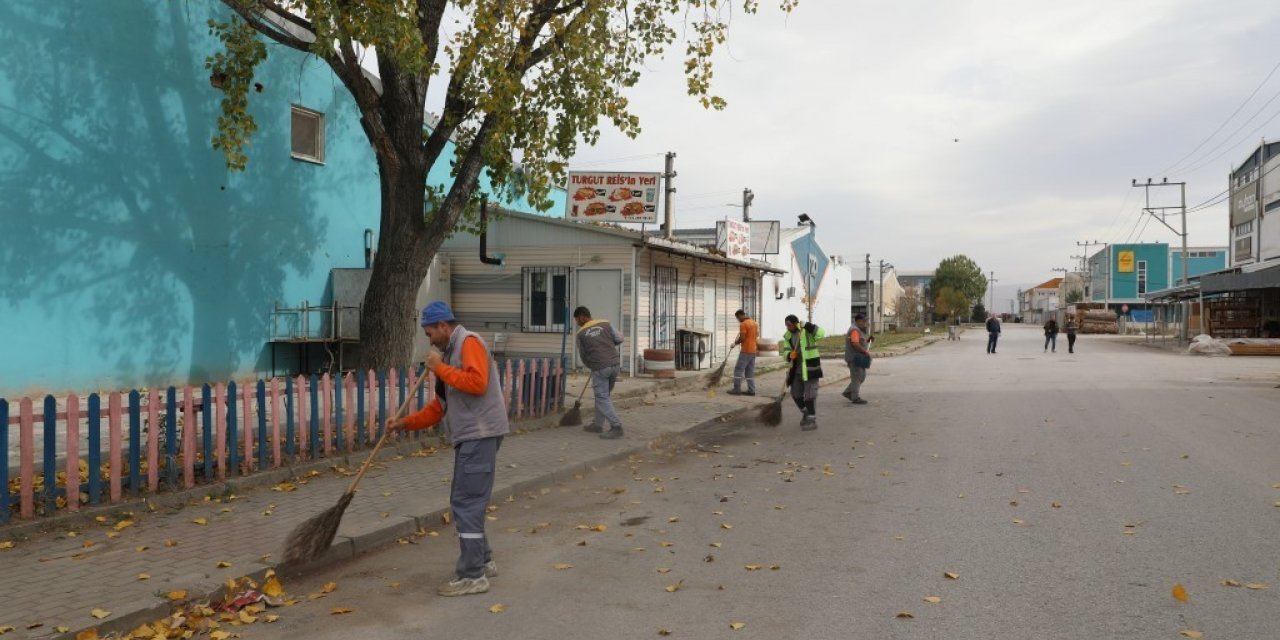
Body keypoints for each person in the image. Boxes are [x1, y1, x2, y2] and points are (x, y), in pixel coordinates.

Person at [387, 301, 509, 597]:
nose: (429, 341)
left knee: (466, 502)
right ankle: (483, 561)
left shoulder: (468, 343)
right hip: (473, 436)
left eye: (430, 333)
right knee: (467, 500)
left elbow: (477, 383)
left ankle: (472, 575)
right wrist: (404, 423)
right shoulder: (450, 354)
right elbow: (440, 407)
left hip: (479, 435)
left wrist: (439, 368)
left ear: (444, 326)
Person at [573, 306, 625, 440]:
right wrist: (607, 344)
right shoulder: (605, 323)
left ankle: (616, 427)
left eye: (577, 319)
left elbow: (583, 355)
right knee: (603, 396)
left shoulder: (581, 333)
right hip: (614, 364)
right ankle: (597, 424)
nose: (577, 323)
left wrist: (592, 365)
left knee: (602, 397)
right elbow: (620, 338)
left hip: (600, 367)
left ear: (582, 317)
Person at [780, 315, 824, 430]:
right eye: (786, 325)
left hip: (810, 367)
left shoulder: (806, 331)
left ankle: (812, 420)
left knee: (809, 396)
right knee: (796, 395)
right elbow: (785, 351)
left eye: (789, 325)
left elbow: (821, 334)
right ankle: (806, 413)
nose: (788, 327)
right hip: (796, 370)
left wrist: (809, 325)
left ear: (796, 323)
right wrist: (789, 355)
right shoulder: (788, 336)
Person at [843, 313, 871, 405]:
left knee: (861, 377)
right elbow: (855, 344)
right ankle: (855, 397)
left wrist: (868, 341)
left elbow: (860, 342)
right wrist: (864, 351)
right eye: (864, 321)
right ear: (858, 321)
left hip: (858, 357)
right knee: (857, 378)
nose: (865, 323)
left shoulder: (857, 329)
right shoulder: (854, 330)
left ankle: (848, 392)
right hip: (855, 358)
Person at [729, 309, 758, 396]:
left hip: (746, 351)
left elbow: (742, 338)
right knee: (749, 372)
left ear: (740, 315)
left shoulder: (743, 324)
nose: (738, 320)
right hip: (753, 350)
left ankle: (737, 389)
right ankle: (751, 390)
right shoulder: (754, 323)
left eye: (738, 318)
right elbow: (757, 335)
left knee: (738, 370)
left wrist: (735, 343)